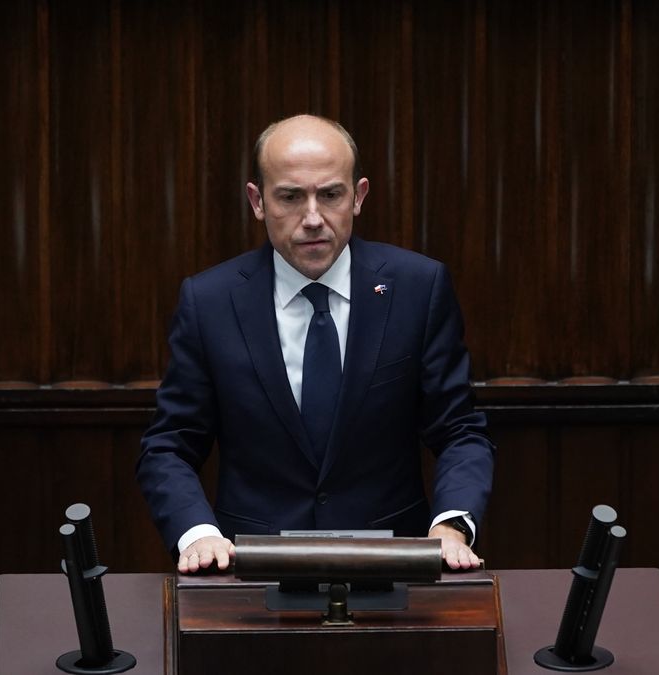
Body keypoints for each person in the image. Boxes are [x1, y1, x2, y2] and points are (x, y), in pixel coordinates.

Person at [136, 114, 494, 574]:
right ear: (258, 201)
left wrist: (451, 524)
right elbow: (168, 445)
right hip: (250, 571)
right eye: (290, 197)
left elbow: (460, 430)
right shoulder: (209, 302)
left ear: (358, 196)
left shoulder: (418, 288)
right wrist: (198, 534)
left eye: (330, 195)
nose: (312, 218)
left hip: (392, 568)